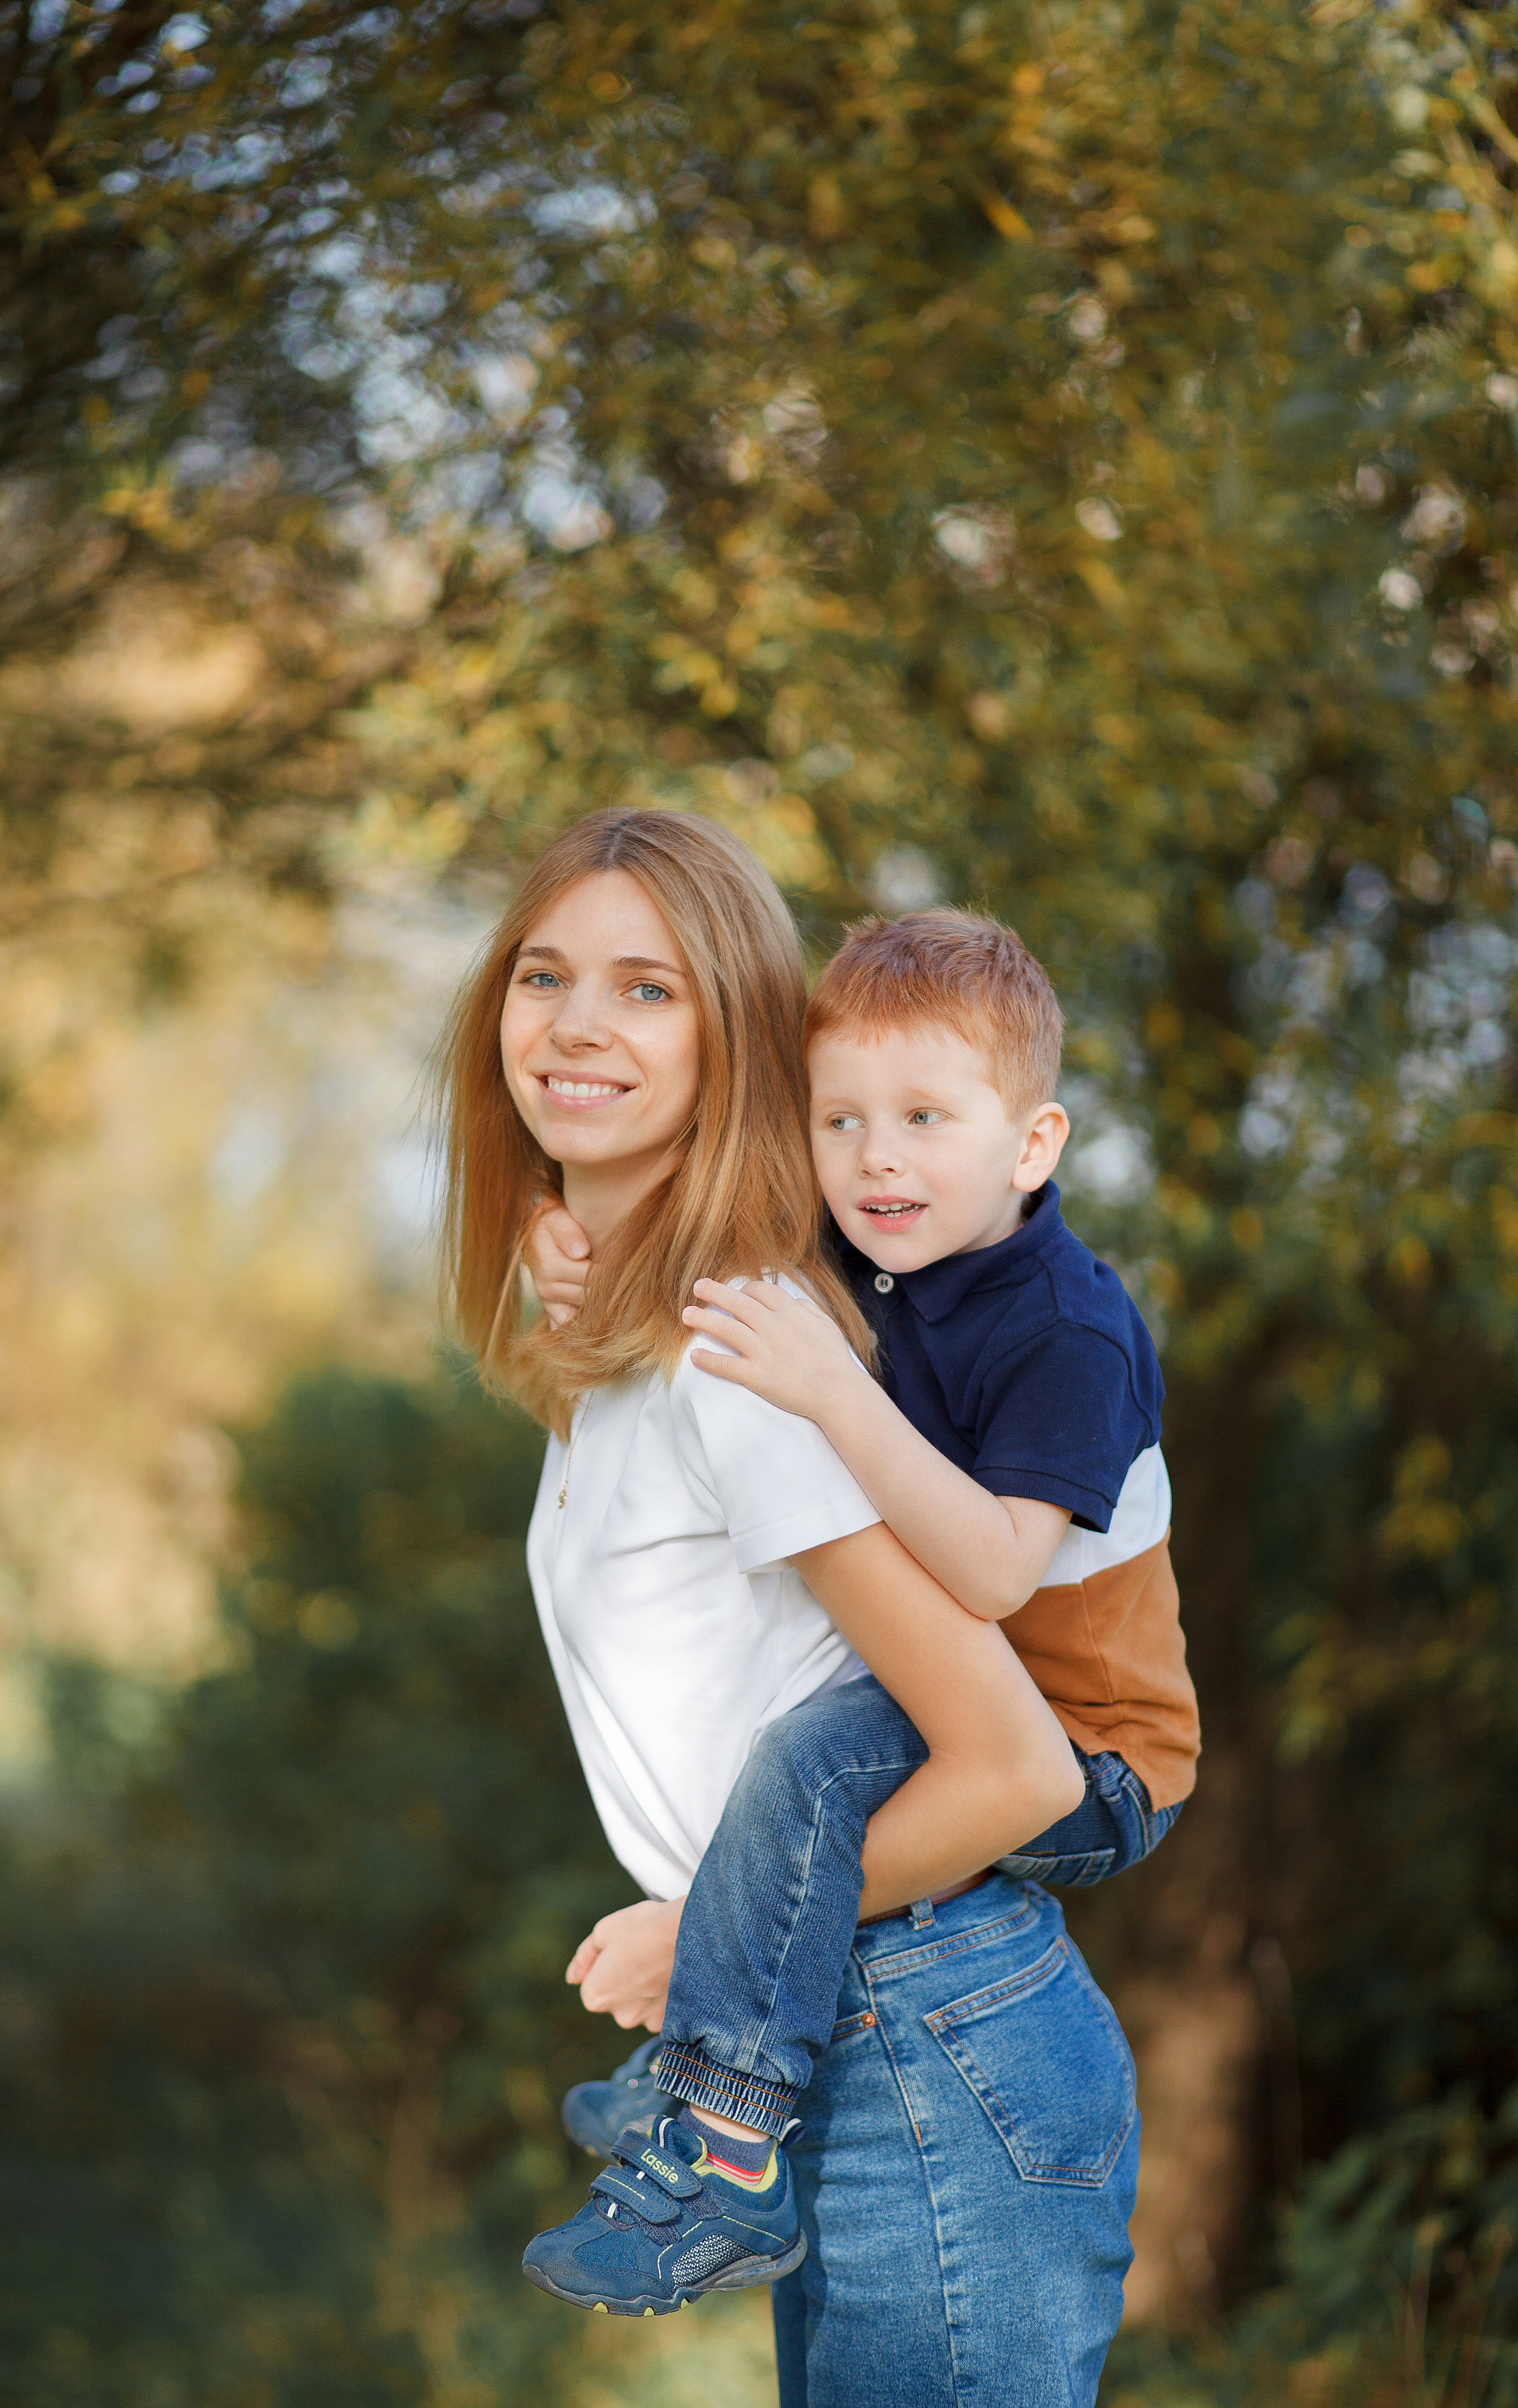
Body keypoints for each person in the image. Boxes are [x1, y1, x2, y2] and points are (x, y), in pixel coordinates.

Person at [438, 806, 1132, 2404]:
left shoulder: (741, 1368)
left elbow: (1016, 1771)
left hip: (927, 2034)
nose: (579, 1024)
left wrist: (704, 1943)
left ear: (736, 1038)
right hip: (839, 2035)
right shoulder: (637, 1340)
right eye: (544, 975)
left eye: (649, 989)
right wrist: (572, 1246)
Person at [532, 909, 1198, 2197]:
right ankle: (705, 2071)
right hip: (963, 1699)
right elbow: (656, 1191)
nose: (873, 1161)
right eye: (838, 1123)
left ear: (1032, 1143)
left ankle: (721, 2142)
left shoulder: (1070, 1330)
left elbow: (998, 1575)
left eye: (922, 1121)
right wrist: (547, 1232)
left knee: (809, 1765)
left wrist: (834, 1394)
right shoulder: (879, 1250)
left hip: (1095, 1750)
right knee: (813, 1761)